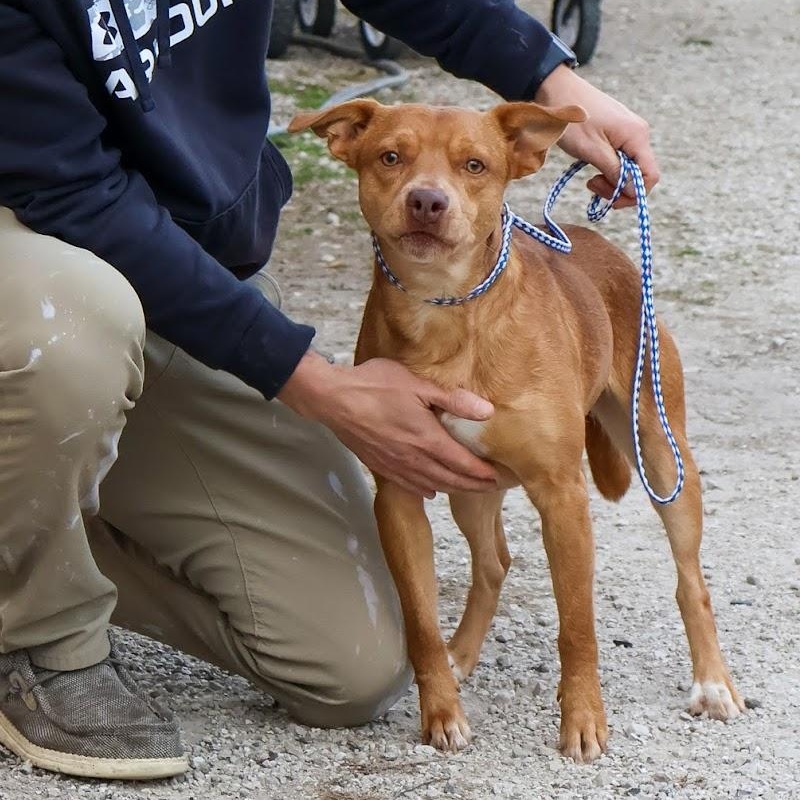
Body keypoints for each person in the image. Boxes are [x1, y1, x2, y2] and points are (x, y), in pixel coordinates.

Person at [0, 0, 659, 781]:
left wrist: (544, 75)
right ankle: (42, 638)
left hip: (192, 283)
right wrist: (313, 381)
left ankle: (40, 519)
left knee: (347, 665)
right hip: (42, 247)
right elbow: (73, 194)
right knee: (69, 328)